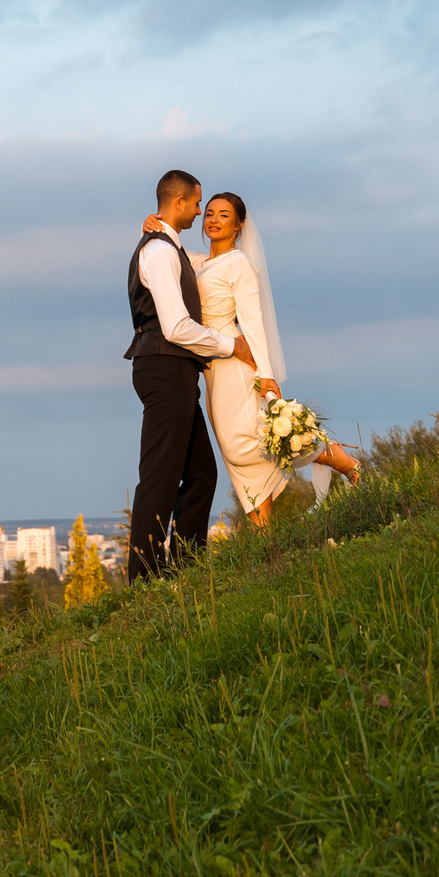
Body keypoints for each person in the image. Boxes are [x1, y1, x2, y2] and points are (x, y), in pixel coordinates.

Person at [144, 192, 360, 531]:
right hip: (211, 366)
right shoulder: (198, 262)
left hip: (236, 363)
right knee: (236, 449)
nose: (213, 219)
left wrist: (267, 373)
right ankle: (265, 537)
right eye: (210, 213)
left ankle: (333, 456)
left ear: (239, 224)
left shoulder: (239, 264)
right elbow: (167, 251)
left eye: (224, 215)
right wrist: (151, 226)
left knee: (241, 444)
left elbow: (254, 321)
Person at [122, 169, 257, 580]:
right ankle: (144, 579)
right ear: (178, 202)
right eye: (198, 204)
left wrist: (155, 223)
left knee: (201, 473)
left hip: (176, 371)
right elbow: (177, 326)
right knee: (160, 476)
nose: (201, 213)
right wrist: (230, 344)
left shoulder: (172, 248)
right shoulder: (161, 251)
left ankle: (187, 567)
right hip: (163, 367)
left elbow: (208, 266)